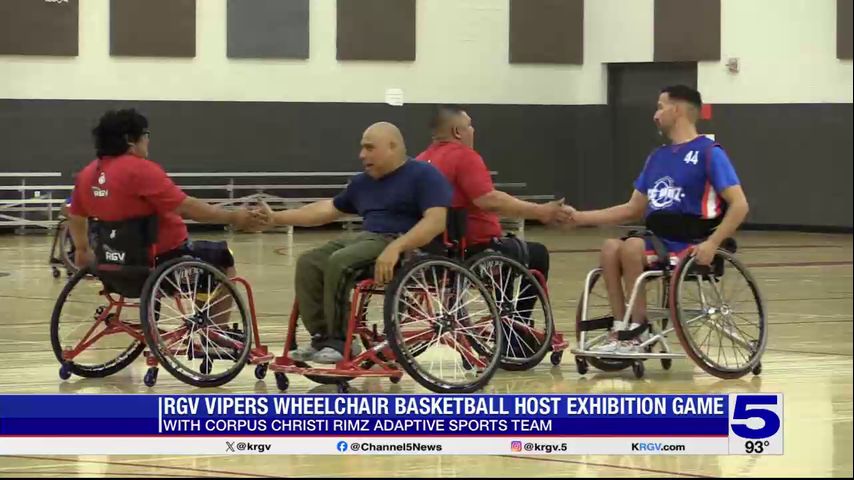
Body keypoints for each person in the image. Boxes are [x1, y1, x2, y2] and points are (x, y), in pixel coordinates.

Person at [565, 85, 750, 353]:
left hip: (691, 239)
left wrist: (712, 243)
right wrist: (580, 218)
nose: (655, 114)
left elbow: (740, 205)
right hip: (658, 238)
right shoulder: (657, 157)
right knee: (609, 247)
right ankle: (621, 328)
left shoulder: (709, 152)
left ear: (676, 110)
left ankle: (636, 333)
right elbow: (632, 208)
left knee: (631, 247)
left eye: (660, 106)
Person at [259, 122, 452, 364]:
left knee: (341, 261)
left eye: (369, 148)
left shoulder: (424, 175)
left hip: (407, 246)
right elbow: (325, 210)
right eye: (362, 148)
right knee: (309, 262)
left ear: (392, 147)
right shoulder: (363, 182)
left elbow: (435, 221)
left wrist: (397, 247)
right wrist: (276, 218)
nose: (362, 155)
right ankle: (322, 336)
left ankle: (342, 342)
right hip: (369, 239)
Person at [67, 108, 266, 327]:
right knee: (222, 258)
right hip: (162, 263)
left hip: (113, 268)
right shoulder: (141, 170)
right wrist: (234, 217)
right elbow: (188, 208)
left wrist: (82, 249)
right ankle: (213, 335)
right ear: (130, 140)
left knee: (203, 260)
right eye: (146, 136)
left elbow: (75, 214)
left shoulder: (87, 174)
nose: (147, 142)